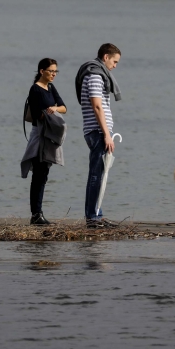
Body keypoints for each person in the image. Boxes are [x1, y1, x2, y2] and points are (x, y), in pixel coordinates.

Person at [75, 43, 122, 228]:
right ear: (105, 57)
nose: (115, 66)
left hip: (97, 131)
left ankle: (97, 215)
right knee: (96, 175)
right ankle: (93, 218)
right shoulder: (95, 75)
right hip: (97, 131)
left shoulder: (97, 73)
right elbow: (96, 106)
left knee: (100, 174)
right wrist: (107, 134)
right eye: (115, 61)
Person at [21, 58, 67, 225]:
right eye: (51, 71)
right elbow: (36, 114)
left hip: (50, 135)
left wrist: (54, 108)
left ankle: (38, 213)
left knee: (44, 173)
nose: (54, 74)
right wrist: (48, 113)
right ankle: (36, 214)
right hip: (40, 134)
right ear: (42, 71)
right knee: (39, 174)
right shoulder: (35, 90)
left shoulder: (50, 87)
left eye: (56, 71)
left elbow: (64, 107)